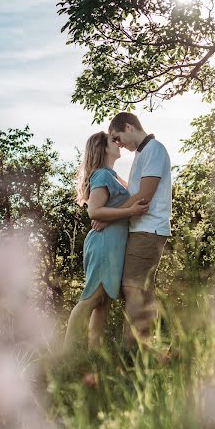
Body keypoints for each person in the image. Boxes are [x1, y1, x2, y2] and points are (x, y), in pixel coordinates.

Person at [63, 131, 149, 351]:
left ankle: (94, 354)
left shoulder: (111, 175)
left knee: (104, 302)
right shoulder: (101, 175)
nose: (119, 143)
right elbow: (94, 212)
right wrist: (129, 211)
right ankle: (66, 355)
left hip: (113, 244)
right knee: (92, 298)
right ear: (102, 148)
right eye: (114, 141)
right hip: (104, 244)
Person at [95, 113, 172, 346]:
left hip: (149, 230)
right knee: (143, 292)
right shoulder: (142, 154)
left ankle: (131, 349)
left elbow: (144, 196)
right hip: (141, 229)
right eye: (114, 141)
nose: (118, 144)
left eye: (118, 138)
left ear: (129, 127)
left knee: (132, 287)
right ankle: (151, 349)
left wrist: (108, 217)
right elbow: (133, 194)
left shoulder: (155, 150)